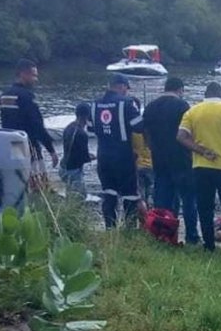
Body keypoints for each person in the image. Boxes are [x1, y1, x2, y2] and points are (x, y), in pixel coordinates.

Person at [177, 82, 221, 259]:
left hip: (201, 166)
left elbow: (181, 137)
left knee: (205, 208)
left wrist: (201, 150)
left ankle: (209, 246)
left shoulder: (192, 111)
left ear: (205, 94)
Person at [143, 77, 199, 244]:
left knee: (163, 200)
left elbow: (144, 131)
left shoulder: (150, 107)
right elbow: (189, 132)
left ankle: (164, 235)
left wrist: (151, 146)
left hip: (159, 159)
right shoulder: (182, 106)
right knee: (188, 199)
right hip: (181, 159)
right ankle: (191, 236)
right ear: (180, 90)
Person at [91, 74, 145, 230]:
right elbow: (139, 126)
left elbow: (91, 128)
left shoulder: (95, 104)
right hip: (123, 156)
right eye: (126, 88)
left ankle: (110, 228)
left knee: (109, 193)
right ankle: (129, 229)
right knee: (130, 194)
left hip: (103, 155)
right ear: (122, 86)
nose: (126, 92)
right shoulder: (126, 103)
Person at [0, 58, 58, 191]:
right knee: (38, 187)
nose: (35, 79)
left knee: (15, 185)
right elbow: (37, 125)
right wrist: (51, 150)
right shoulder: (26, 96)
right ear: (23, 74)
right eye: (33, 75)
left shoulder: (4, 96)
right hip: (29, 147)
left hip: (10, 146)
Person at [59, 102, 95, 197]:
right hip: (73, 171)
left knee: (70, 194)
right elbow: (83, 158)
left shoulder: (69, 127)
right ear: (87, 116)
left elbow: (73, 150)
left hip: (63, 167)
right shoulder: (82, 134)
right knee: (81, 197)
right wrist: (94, 157)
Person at [131, 98, 154, 206]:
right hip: (151, 166)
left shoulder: (132, 131)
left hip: (138, 166)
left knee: (140, 198)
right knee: (152, 196)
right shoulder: (152, 130)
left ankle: (143, 220)